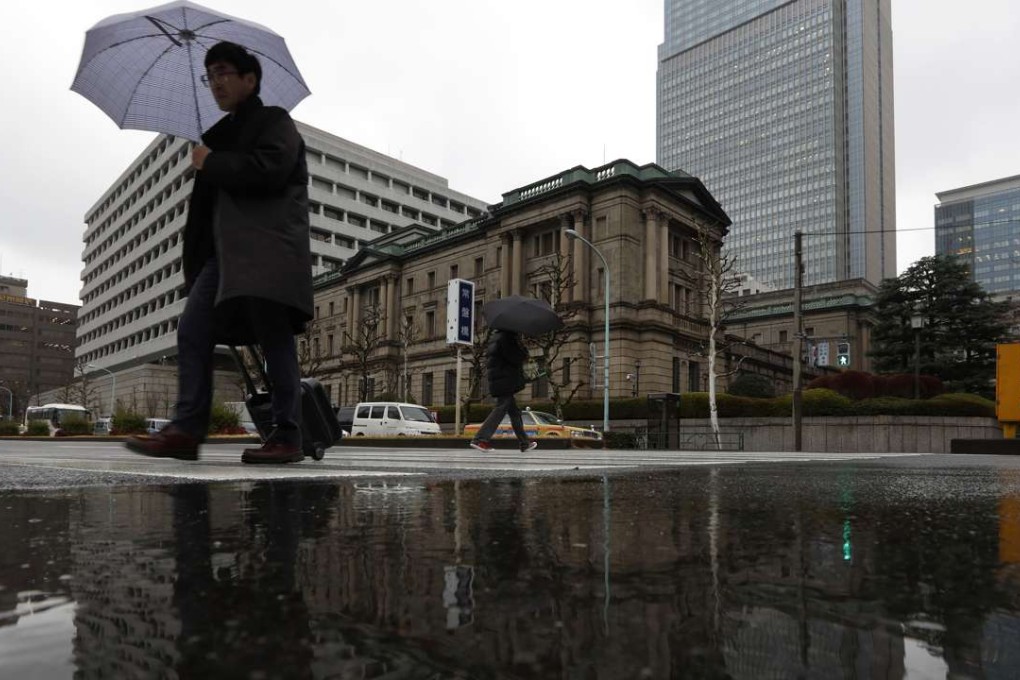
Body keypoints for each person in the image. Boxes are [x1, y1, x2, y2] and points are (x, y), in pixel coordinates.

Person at [126, 41, 312, 465]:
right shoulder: (215, 137)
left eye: (224, 72)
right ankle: (186, 431)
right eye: (210, 75)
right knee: (192, 331)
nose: (216, 82)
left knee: (274, 338)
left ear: (250, 78)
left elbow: (271, 171)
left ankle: (288, 434)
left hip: (267, 250)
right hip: (222, 258)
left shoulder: (274, 122)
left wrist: (212, 163)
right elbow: (204, 214)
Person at [469, 330, 538, 452]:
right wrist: (524, 352)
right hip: (504, 380)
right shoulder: (507, 337)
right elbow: (513, 357)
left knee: (514, 412)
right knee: (501, 407)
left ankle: (524, 443)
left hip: (500, 379)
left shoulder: (496, 337)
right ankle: (480, 439)